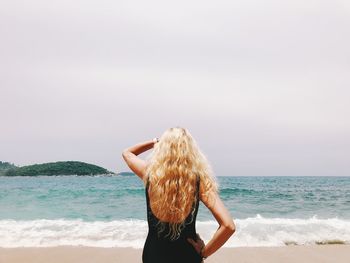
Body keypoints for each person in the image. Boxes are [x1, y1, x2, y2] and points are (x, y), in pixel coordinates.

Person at [122, 127, 235, 262]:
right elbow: (228, 226)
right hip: (187, 256)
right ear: (191, 151)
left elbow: (127, 153)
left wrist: (155, 142)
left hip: (153, 255)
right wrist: (204, 252)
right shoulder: (199, 182)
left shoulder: (150, 174)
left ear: (162, 148)